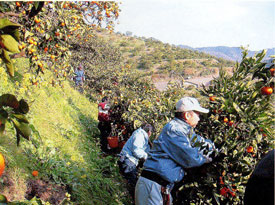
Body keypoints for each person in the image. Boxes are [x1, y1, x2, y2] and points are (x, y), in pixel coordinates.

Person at [135, 97, 215, 205]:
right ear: (187, 115)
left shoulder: (185, 131)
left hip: (161, 187)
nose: (199, 118)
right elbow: (189, 158)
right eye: (198, 114)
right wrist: (205, 158)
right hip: (153, 186)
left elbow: (199, 142)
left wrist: (213, 148)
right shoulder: (175, 130)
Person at [118, 123, 153, 198]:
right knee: (133, 183)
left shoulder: (140, 135)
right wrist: (146, 156)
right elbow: (137, 151)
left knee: (132, 181)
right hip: (128, 160)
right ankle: (128, 198)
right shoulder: (140, 136)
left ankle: (126, 196)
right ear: (149, 132)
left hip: (128, 160)